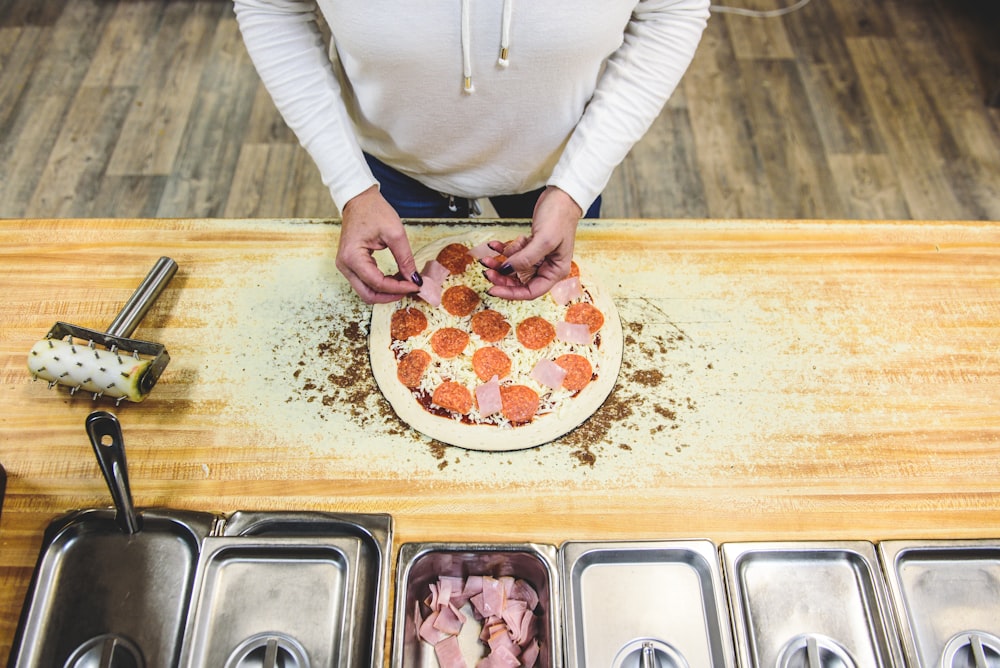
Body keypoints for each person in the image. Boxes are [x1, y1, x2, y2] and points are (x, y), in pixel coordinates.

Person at [233, 0, 710, 303]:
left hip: (562, 170)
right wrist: (350, 185)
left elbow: (672, 10)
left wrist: (576, 186)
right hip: (386, 173)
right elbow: (272, 7)